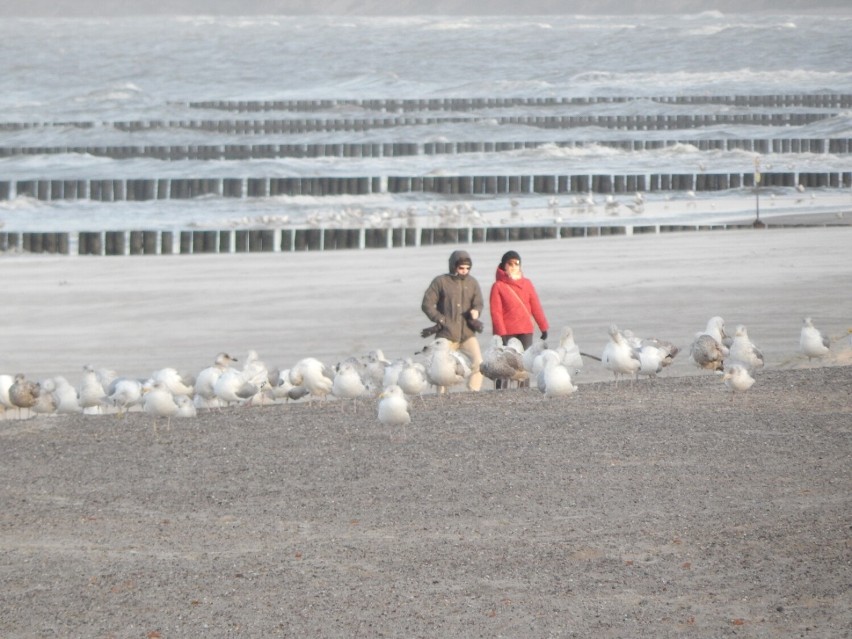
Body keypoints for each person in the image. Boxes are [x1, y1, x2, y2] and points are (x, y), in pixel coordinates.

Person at [420, 249, 485, 392]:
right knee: (442, 367)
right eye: (461, 268)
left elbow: (479, 302)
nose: (464, 271)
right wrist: (439, 318)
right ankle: (442, 395)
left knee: (479, 363)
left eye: (467, 268)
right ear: (453, 266)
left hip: (467, 333)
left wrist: (476, 311)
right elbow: (427, 303)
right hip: (446, 334)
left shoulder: (472, 282)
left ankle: (474, 391)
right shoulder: (441, 282)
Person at [489, 250, 549, 389]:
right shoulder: (498, 286)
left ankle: (523, 390)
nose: (514, 266)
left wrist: (543, 326)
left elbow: (535, 306)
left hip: (526, 329)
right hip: (507, 330)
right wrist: (501, 333)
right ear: (504, 266)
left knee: (525, 362)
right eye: (510, 264)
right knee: (505, 362)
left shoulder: (527, 283)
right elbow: (496, 312)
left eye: (517, 263)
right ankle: (501, 389)